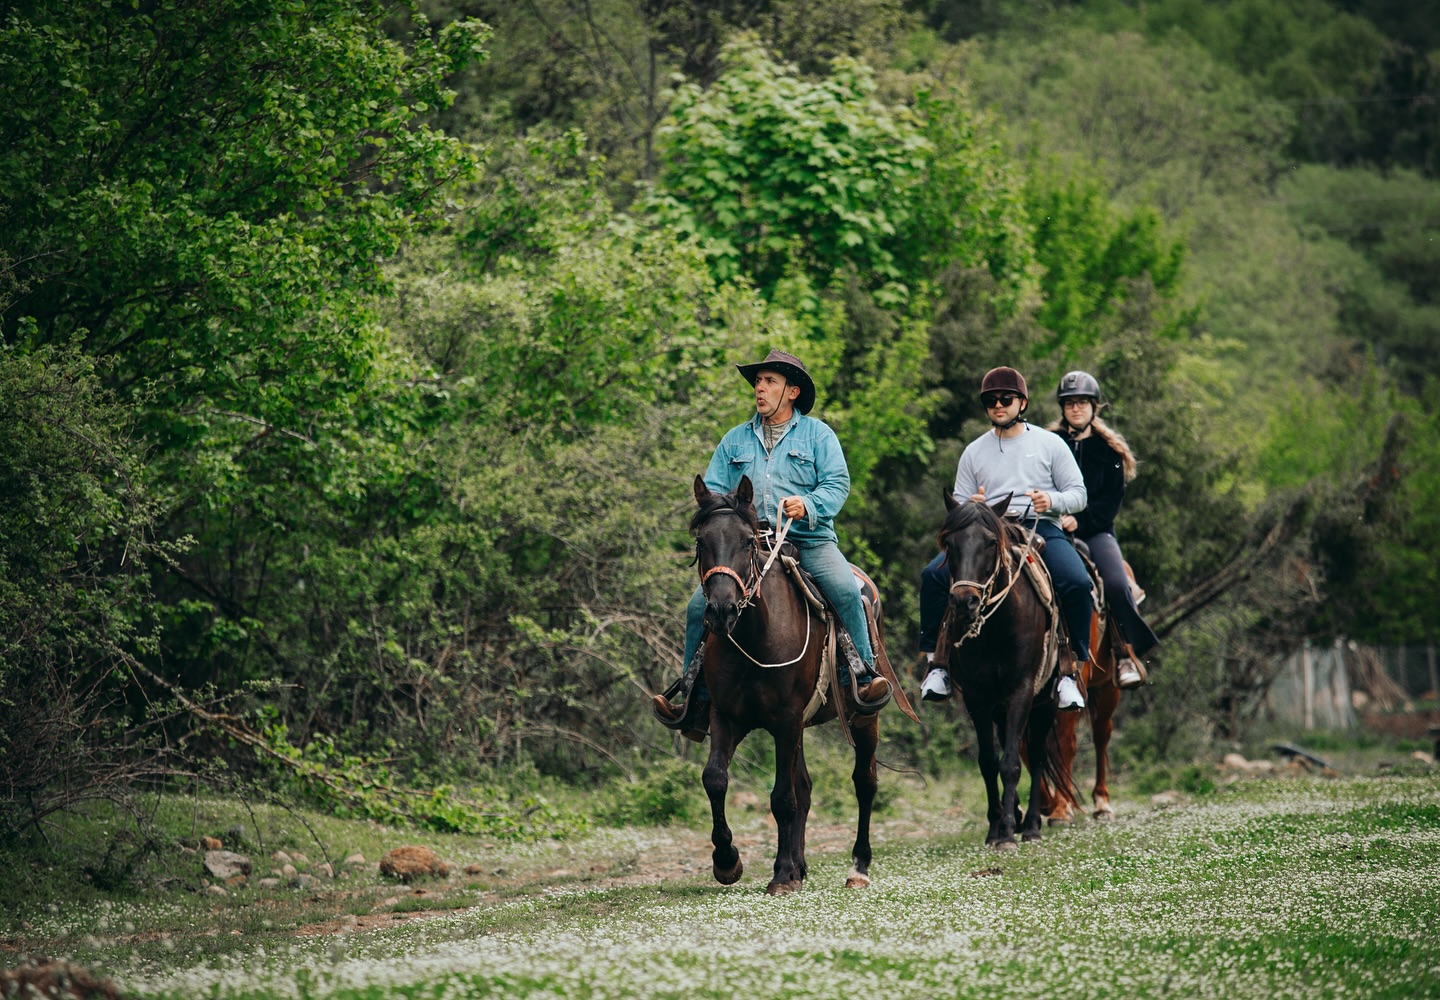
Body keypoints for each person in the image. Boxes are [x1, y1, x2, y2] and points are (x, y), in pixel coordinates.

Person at [653, 349, 889, 720]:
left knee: (846, 589)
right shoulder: (734, 440)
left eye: (769, 382)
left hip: (807, 539)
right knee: (698, 606)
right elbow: (714, 492)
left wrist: (808, 504)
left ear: (792, 392)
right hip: (748, 545)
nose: (760, 389)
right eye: (758, 382)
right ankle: (693, 693)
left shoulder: (818, 435)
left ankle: (861, 675)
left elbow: (838, 483)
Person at [918, 366, 1092, 710]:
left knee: (1076, 581)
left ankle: (1071, 671)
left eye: (1005, 399)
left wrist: (1052, 500)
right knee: (933, 576)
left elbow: (1079, 493)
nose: (998, 405)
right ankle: (937, 665)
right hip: (986, 531)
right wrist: (972, 506)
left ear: (1022, 402)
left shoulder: (1050, 443)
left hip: (1039, 526)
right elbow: (959, 505)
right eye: (991, 400)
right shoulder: (974, 451)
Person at [1050, 370, 1158, 688]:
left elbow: (1110, 503)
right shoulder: (1049, 444)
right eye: (1070, 403)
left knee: (1113, 582)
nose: (1076, 408)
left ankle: (1125, 653)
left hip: (1096, 532)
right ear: (1062, 408)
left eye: (1082, 402)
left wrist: (1079, 521)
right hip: (1053, 529)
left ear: (1094, 407)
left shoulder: (1110, 452)